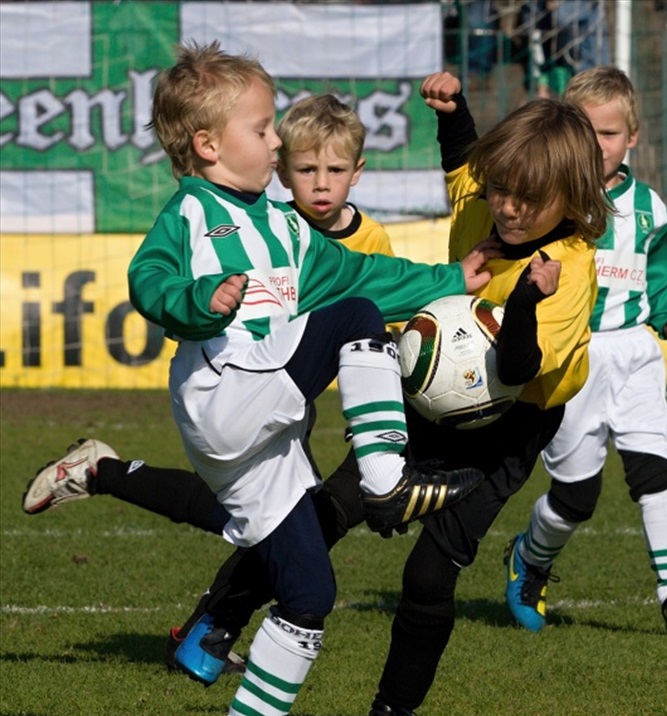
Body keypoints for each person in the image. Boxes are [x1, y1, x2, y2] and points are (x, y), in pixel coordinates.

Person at [125, 42, 488, 716]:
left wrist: (454, 277)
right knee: (348, 315)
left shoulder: (289, 230)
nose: (274, 143)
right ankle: (386, 476)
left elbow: (365, 272)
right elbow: (148, 277)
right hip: (225, 397)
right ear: (207, 144)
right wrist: (197, 300)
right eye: (261, 130)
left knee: (310, 591)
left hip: (268, 435)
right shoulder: (194, 211)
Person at [21, 92, 400, 675]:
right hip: (240, 393)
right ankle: (212, 625)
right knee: (292, 521)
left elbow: (384, 305)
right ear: (283, 167)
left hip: (299, 407)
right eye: (302, 168)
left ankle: (116, 488)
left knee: (279, 523)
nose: (318, 184)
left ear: (358, 171)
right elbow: (159, 279)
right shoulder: (253, 218)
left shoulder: (364, 240)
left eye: (335, 170)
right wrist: (201, 301)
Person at [364, 70, 610, 716]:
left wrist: (528, 299)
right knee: (335, 501)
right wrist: (453, 111)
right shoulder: (493, 198)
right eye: (499, 187)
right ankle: (218, 617)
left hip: (511, 426)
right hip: (435, 400)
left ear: (571, 196)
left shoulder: (568, 265)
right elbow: (464, 169)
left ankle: (393, 710)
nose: (504, 206)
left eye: (526, 198)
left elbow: (517, 367)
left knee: (430, 570)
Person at [503, 66, 667, 638]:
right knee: (576, 496)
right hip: (574, 357)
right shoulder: (552, 201)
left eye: (608, 135)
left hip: (635, 353)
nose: (596, 146)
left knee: (654, 472)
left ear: (631, 138)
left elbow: (656, 278)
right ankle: (530, 561)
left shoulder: (651, 210)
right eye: (583, 133)